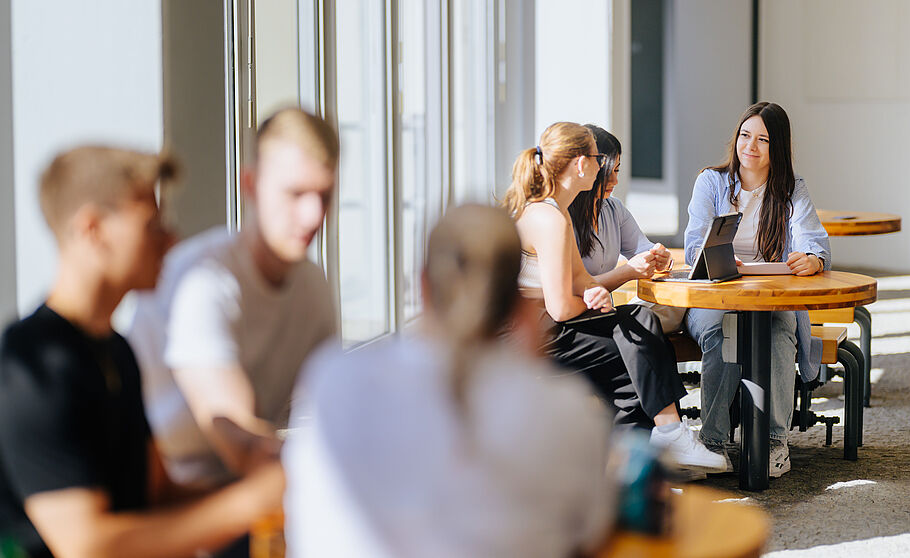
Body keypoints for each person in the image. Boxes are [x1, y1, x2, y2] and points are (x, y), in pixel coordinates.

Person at [283, 205, 615, 557]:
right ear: (516, 300)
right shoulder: (566, 411)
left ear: (424, 286)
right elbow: (589, 532)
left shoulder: (334, 382)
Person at [0, 147, 284, 558]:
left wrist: (277, 495)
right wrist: (249, 504)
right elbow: (87, 547)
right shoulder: (33, 366)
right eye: (151, 224)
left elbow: (157, 496)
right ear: (93, 229)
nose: (170, 239)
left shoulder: (116, 352)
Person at [126, 108, 339, 489]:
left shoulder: (313, 287)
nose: (314, 216)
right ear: (251, 184)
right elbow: (240, 443)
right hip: (171, 498)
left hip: (244, 494)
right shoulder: (206, 282)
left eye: (325, 195)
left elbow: (333, 412)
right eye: (296, 194)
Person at [502, 122, 725, 472]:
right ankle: (661, 441)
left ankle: (648, 453)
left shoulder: (556, 212)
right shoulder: (549, 218)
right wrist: (594, 303)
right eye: (597, 158)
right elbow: (562, 308)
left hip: (546, 322)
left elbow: (581, 280)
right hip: (529, 332)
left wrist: (595, 294)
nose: (602, 167)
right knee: (635, 346)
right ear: (580, 164)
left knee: (640, 325)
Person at [684, 101, 830, 478]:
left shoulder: (791, 188)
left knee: (780, 330)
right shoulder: (712, 182)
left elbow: (814, 241)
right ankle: (712, 442)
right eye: (745, 136)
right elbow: (693, 247)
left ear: (777, 147)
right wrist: (730, 265)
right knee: (722, 332)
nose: (751, 146)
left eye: (763, 139)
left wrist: (813, 258)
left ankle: (773, 441)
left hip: (771, 300)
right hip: (716, 296)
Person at [568, 124, 685, 333]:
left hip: (604, 313)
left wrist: (662, 258)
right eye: (607, 171)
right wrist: (628, 272)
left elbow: (644, 250)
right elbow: (571, 291)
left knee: (677, 307)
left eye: (617, 170)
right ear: (586, 167)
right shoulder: (561, 218)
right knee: (647, 324)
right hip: (577, 321)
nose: (615, 180)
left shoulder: (614, 209)